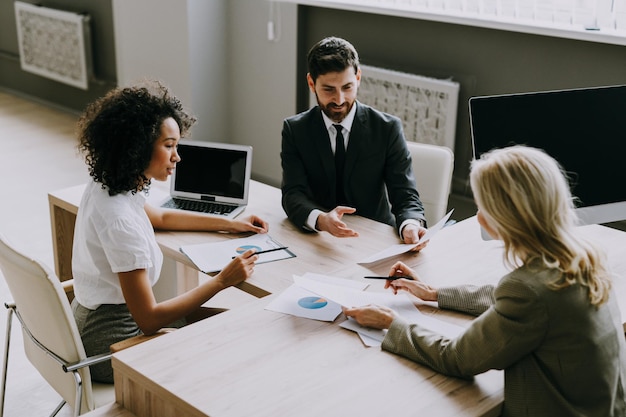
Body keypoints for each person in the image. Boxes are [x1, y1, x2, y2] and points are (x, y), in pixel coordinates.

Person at [343, 145, 626, 416]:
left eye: (483, 207)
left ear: (508, 216)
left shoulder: (529, 291)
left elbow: (457, 358)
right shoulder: (582, 256)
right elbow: (523, 304)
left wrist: (391, 322)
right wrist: (432, 293)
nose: (478, 216)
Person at [71, 80, 269, 383]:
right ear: (138, 146)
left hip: (92, 322)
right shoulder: (120, 220)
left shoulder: (110, 187)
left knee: (233, 321)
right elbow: (148, 320)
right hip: (111, 345)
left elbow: (160, 216)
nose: (178, 157)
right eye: (169, 146)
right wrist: (221, 281)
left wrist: (229, 224)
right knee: (232, 334)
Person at [280, 36, 427, 247]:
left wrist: (410, 225)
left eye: (347, 87)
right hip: (319, 240)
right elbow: (293, 193)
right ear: (312, 83)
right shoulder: (295, 130)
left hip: (375, 238)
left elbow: (405, 194)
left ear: (358, 78)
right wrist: (321, 220)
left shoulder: (387, 129)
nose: (339, 100)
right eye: (329, 89)